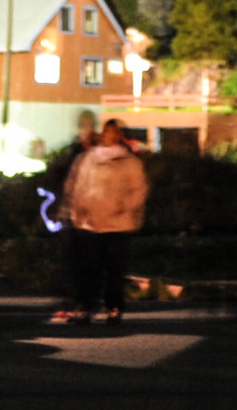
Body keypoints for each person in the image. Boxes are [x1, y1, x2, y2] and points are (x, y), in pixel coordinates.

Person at [59, 119, 148, 324]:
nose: (111, 135)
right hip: (91, 222)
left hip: (118, 223)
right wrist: (78, 212)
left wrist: (126, 207)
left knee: (114, 270)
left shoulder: (130, 162)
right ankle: (85, 307)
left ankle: (113, 307)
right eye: (108, 131)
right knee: (89, 268)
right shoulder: (89, 159)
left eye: (116, 132)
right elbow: (79, 186)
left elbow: (138, 190)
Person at [42, 110, 101, 322]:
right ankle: (71, 301)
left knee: (88, 262)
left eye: (88, 125)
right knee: (70, 262)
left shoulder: (97, 153)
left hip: (91, 216)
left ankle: (86, 303)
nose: (85, 130)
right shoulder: (73, 152)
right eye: (82, 125)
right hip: (69, 214)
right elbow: (60, 178)